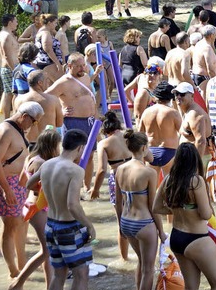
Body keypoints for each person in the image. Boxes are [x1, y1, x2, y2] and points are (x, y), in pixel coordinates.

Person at [26, 129, 94, 290]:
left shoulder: (47, 164)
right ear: (80, 148)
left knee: (58, 275)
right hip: (69, 227)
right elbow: (72, 205)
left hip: (50, 225)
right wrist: (89, 225)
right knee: (81, 274)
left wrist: (48, 190)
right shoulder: (76, 171)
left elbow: (28, 184)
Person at [153, 143, 216, 290]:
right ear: (195, 160)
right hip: (197, 239)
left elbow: (156, 208)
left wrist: (176, 209)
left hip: (177, 238)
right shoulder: (197, 181)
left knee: (190, 289)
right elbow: (206, 214)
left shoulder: (168, 179)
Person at [8, 129, 61, 290]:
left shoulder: (31, 157)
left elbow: (22, 181)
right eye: (57, 145)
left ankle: (48, 287)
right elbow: (33, 185)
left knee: (47, 250)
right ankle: (17, 283)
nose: (59, 149)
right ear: (51, 146)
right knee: (46, 251)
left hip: (32, 205)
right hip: (38, 208)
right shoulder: (42, 164)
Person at [115, 130, 166, 290]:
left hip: (126, 221)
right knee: (148, 269)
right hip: (144, 223)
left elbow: (118, 202)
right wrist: (161, 231)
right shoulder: (149, 172)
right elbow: (153, 206)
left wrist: (120, 226)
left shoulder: (120, 169)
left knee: (141, 262)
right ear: (144, 147)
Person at [0, 102, 43, 278]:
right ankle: (12, 271)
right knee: (10, 226)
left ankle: (22, 263)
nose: (34, 125)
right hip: (6, 183)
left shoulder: (20, 128)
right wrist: (6, 190)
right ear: (24, 117)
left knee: (22, 222)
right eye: (34, 122)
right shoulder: (6, 131)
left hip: (19, 182)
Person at [46, 53, 100, 190]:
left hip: (90, 122)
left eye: (84, 65)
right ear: (69, 66)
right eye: (79, 66)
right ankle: (72, 189)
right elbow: (45, 97)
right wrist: (60, 112)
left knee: (89, 155)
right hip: (73, 122)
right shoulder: (63, 82)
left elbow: (86, 94)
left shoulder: (86, 77)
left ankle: (87, 188)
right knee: (74, 157)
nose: (83, 68)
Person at [90, 111, 132, 260]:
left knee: (121, 221)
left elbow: (101, 170)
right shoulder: (130, 135)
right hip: (136, 175)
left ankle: (124, 258)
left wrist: (95, 190)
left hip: (118, 178)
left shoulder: (104, 143)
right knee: (140, 214)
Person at [139, 82, 182, 177]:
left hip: (150, 151)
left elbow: (140, 135)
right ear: (170, 98)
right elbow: (182, 133)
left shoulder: (146, 112)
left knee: (151, 187)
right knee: (169, 185)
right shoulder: (173, 113)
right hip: (169, 150)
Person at [13, 70, 64, 148]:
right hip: (48, 142)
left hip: (27, 143)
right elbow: (59, 123)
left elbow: (16, 123)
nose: (49, 83)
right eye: (47, 80)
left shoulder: (18, 100)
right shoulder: (53, 99)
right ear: (40, 83)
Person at [176, 82, 212, 156]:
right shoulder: (187, 111)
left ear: (192, 96)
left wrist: (196, 164)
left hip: (198, 159)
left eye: (182, 94)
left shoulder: (194, 114)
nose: (178, 96)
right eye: (176, 94)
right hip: (189, 158)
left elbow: (201, 142)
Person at [0, 14, 19, 118]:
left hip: (8, 68)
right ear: (10, 22)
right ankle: (11, 117)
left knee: (8, 94)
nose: (17, 23)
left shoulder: (4, 33)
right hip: (9, 68)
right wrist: (15, 70)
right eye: (15, 21)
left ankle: (8, 118)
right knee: (13, 94)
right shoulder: (6, 36)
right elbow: (6, 55)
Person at [34, 14, 63, 84]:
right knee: (59, 85)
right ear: (49, 23)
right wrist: (57, 63)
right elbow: (48, 49)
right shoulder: (46, 33)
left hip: (44, 62)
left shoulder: (41, 31)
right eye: (55, 23)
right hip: (49, 63)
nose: (56, 25)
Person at [192, 25, 216, 99]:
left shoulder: (199, 44)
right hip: (204, 77)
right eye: (215, 35)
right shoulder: (207, 48)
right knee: (205, 102)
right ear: (211, 35)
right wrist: (214, 81)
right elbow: (210, 67)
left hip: (197, 75)